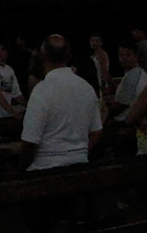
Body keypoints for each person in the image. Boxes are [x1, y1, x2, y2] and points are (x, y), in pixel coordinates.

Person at [21, 34, 103, 171]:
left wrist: (23, 167)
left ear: (43, 55)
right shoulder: (86, 87)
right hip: (80, 163)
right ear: (68, 55)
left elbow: (29, 141)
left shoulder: (41, 90)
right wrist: (79, 153)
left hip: (46, 166)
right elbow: (96, 131)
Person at [106, 39, 147, 123]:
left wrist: (105, 111)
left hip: (124, 122)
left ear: (136, 56)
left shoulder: (133, 76)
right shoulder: (139, 72)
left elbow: (120, 106)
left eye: (128, 55)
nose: (123, 58)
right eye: (121, 55)